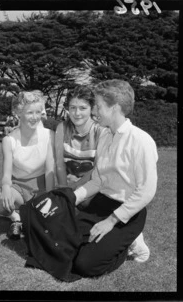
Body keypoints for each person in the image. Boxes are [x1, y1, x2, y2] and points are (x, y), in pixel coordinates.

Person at [73, 79, 158, 277]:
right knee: (64, 245)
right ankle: (109, 242)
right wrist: (72, 197)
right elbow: (97, 180)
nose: (94, 111)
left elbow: (146, 192)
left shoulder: (141, 141)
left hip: (127, 213)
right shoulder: (105, 136)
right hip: (101, 204)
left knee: (85, 265)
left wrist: (111, 221)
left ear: (115, 108)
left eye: (98, 106)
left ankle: (130, 244)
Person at [0, 90, 55, 239]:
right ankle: (16, 218)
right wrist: (6, 188)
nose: (35, 117)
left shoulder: (49, 136)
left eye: (38, 112)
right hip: (19, 187)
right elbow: (7, 174)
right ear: (18, 113)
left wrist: (50, 197)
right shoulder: (9, 140)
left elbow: (50, 171)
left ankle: (30, 216)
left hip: (42, 187)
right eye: (29, 113)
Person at [55, 85, 101, 196]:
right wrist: (64, 188)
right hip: (67, 184)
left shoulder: (100, 131)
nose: (77, 113)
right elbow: (59, 164)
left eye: (83, 108)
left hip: (92, 188)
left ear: (92, 109)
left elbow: (98, 169)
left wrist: (76, 187)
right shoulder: (62, 128)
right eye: (72, 107)